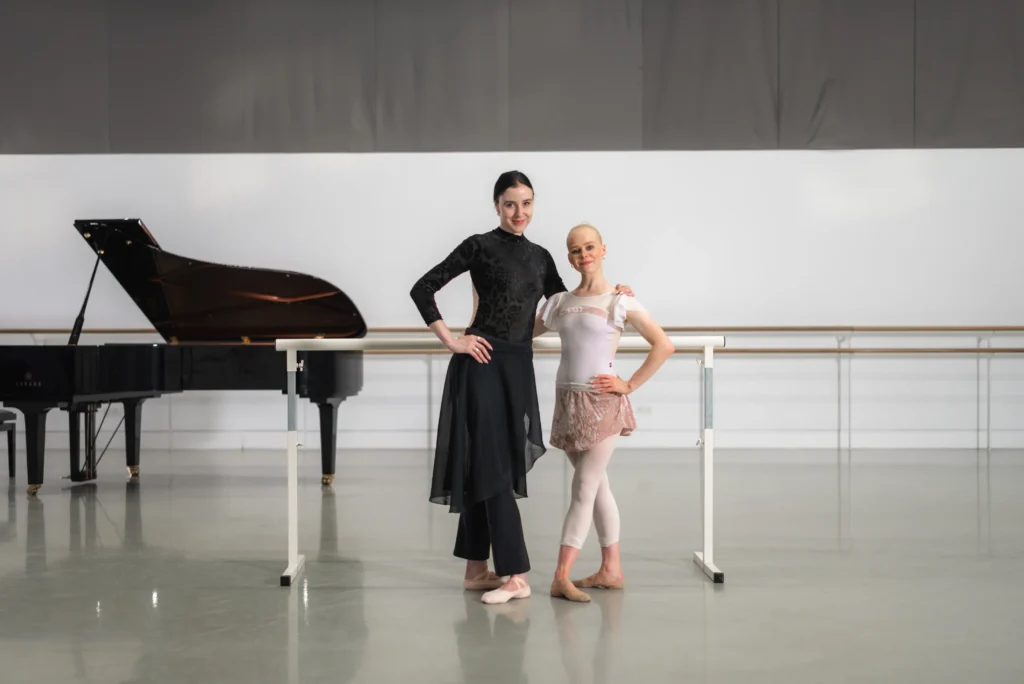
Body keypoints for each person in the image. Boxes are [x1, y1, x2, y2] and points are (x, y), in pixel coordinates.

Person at [409, 172, 634, 605]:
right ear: (497, 205)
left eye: (526, 203)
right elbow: (423, 288)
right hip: (481, 363)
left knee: (487, 462)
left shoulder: (541, 257)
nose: (519, 212)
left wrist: (615, 293)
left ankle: (476, 569)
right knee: (493, 465)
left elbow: (569, 305)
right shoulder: (479, 246)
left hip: (517, 367)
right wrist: (452, 340)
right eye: (510, 204)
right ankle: (516, 575)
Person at [534, 223, 675, 603]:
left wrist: (628, 384)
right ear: (569, 258)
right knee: (597, 486)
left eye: (590, 247)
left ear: (603, 249)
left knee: (584, 485)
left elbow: (663, 345)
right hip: (568, 402)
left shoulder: (620, 300)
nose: (584, 255)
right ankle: (611, 570)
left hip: (601, 403)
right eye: (576, 250)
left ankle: (561, 576)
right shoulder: (559, 302)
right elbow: (521, 334)